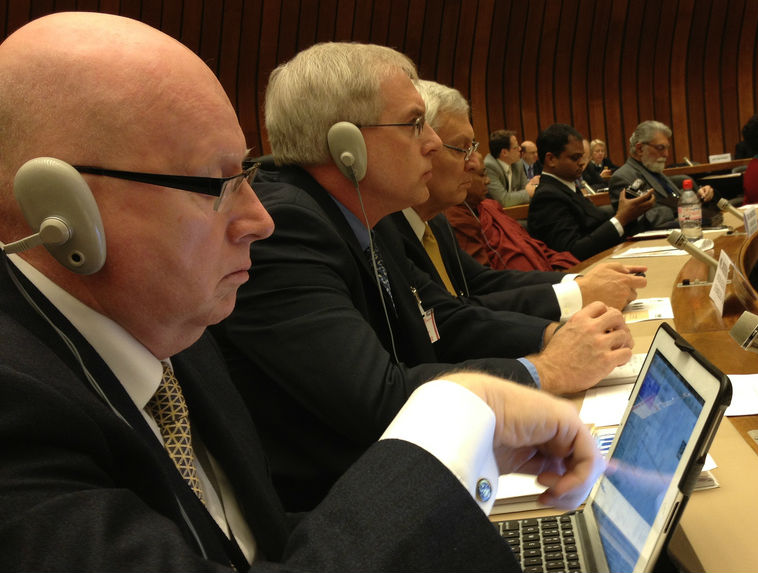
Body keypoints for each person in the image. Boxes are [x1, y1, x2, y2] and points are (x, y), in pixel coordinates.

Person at [0, 13, 604, 570]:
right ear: (59, 212)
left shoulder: (173, 331)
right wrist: (466, 412)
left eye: (247, 174)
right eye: (216, 184)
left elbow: (252, 542)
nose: (258, 221)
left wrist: (463, 473)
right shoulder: (19, 408)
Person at [213, 43, 630, 511]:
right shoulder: (286, 228)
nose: (432, 140)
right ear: (345, 146)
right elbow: (376, 398)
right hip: (342, 513)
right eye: (414, 123)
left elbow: (441, 321)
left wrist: (556, 335)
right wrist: (543, 372)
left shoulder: (368, 216)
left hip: (404, 482)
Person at [391, 80, 646, 321]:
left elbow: (482, 281)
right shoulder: (388, 232)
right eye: (462, 148)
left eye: (473, 147)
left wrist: (577, 282)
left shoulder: (435, 223)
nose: (474, 161)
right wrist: (576, 297)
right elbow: (451, 316)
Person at [528, 123, 656, 259]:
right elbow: (571, 253)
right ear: (551, 159)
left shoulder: (567, 187)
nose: (582, 163)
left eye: (582, 157)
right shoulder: (547, 197)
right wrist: (621, 218)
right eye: (575, 158)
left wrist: (631, 212)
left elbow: (594, 228)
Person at [446, 151, 583, 271]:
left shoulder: (491, 206)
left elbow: (528, 244)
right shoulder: (456, 218)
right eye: (482, 175)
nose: (487, 181)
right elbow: (484, 278)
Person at [608, 120, 714, 229]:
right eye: (660, 148)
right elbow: (638, 222)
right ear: (640, 149)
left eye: (667, 148)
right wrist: (681, 208)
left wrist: (698, 198)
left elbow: (674, 202)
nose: (666, 154)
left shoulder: (654, 171)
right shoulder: (622, 178)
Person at [485, 129, 538, 206]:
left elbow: (526, 187)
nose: (520, 149)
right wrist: (532, 191)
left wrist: (533, 186)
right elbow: (503, 200)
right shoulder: (489, 166)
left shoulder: (517, 163)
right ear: (504, 152)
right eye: (515, 147)